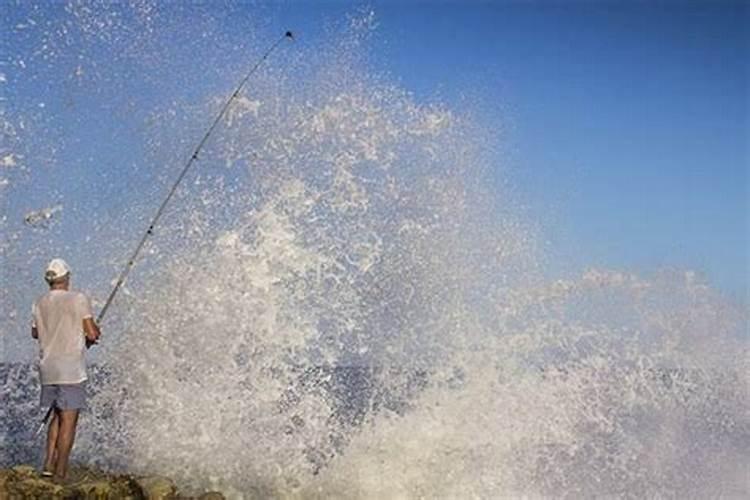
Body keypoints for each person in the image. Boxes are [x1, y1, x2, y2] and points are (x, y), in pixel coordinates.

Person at [31, 258, 100, 481]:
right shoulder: (78, 298)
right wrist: (92, 334)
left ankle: (48, 465)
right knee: (68, 421)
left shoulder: (39, 302)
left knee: (57, 417)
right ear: (67, 277)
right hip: (71, 370)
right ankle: (61, 471)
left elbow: (36, 333)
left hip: (48, 369)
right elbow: (91, 333)